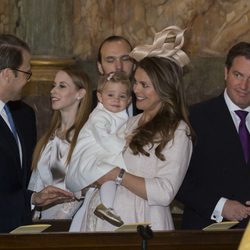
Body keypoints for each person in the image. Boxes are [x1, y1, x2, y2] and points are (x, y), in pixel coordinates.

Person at [66, 26, 193, 231]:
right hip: (103, 221)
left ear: (163, 88)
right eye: (135, 83)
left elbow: (164, 192)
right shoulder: (130, 122)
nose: (135, 90)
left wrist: (118, 175)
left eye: (144, 85)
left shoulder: (178, 131)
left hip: (142, 222)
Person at [0, 34, 73, 233]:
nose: (27, 80)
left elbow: (18, 181)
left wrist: (33, 198)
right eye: (26, 73)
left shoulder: (24, 115)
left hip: (20, 231)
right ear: (8, 74)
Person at [177, 42, 250, 229]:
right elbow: (177, 179)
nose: (244, 85)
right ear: (226, 73)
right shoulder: (194, 118)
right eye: (238, 75)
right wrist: (221, 206)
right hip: (207, 235)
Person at [28, 64, 93, 220]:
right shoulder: (49, 136)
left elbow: (87, 186)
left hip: (70, 222)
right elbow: (37, 182)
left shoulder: (87, 136)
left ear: (80, 93)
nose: (53, 91)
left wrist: (60, 219)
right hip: (42, 219)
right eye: (53, 85)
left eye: (62, 86)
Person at [68, 71, 132, 227]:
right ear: (100, 97)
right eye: (111, 95)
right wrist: (124, 142)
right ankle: (108, 207)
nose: (116, 100)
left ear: (129, 100)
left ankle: (106, 207)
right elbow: (104, 138)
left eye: (122, 96)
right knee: (112, 175)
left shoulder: (121, 116)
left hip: (102, 155)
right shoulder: (99, 116)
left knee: (111, 179)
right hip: (89, 158)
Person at [93, 35, 140, 116]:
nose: (119, 66)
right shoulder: (85, 104)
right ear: (100, 67)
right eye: (110, 60)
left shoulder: (144, 103)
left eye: (125, 59)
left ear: (134, 64)